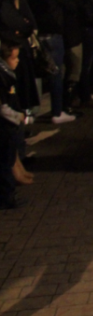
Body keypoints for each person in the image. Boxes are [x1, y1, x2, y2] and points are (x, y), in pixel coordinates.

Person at [22, 0, 77, 124]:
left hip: (34, 30)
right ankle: (57, 111)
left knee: (34, 71)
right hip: (52, 31)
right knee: (55, 72)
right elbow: (68, 5)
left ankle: (31, 112)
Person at [0, 39, 34, 210]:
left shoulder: (7, 74)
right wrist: (16, 116)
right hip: (5, 127)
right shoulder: (3, 77)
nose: (18, 61)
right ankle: (7, 197)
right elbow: (3, 107)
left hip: (8, 125)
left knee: (7, 159)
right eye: (14, 58)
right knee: (5, 163)